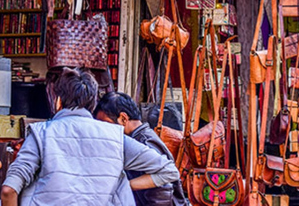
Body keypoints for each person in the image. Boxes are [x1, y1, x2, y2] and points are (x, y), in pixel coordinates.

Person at [1, 67, 180, 206]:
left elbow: (8, 191)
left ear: (58, 101)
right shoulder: (116, 137)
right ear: (92, 103)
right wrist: (123, 186)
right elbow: (169, 171)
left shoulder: (41, 134)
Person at [94, 92, 188, 206]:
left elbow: (162, 191)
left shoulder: (144, 142)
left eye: (106, 124)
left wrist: (124, 187)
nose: (104, 130)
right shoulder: (141, 137)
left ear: (123, 118)